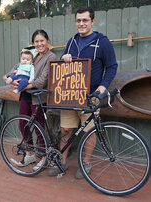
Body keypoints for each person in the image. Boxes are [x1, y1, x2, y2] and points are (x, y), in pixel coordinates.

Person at [48, 6, 118, 177]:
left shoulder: (103, 42)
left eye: (85, 20)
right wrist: (63, 59)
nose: (81, 23)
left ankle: (86, 163)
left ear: (92, 21)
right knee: (65, 129)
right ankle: (62, 162)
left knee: (90, 132)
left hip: (91, 97)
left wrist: (102, 87)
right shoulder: (71, 42)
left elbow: (111, 67)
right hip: (70, 96)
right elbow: (61, 70)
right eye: (78, 20)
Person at [5, 29, 57, 170]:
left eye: (42, 41)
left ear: (47, 41)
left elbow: (42, 81)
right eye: (36, 41)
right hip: (26, 96)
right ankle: (30, 153)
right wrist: (13, 81)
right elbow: (15, 68)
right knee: (23, 124)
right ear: (33, 43)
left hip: (38, 97)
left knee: (40, 127)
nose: (39, 44)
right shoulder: (31, 54)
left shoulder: (50, 57)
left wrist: (23, 86)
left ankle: (44, 156)